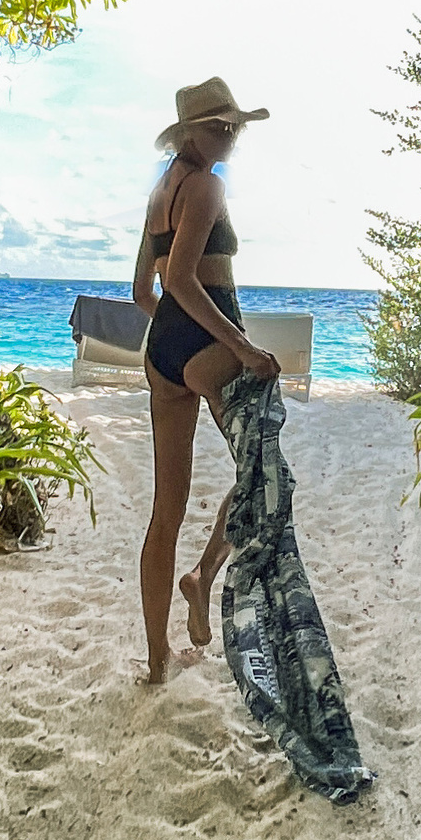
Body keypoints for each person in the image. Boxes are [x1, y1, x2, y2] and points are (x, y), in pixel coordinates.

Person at [133, 75, 281, 685]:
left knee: (165, 508)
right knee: (260, 473)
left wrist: (173, 336)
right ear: (188, 132)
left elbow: (146, 292)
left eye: (233, 127)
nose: (228, 137)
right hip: (208, 346)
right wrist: (240, 347)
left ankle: (157, 661)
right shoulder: (207, 188)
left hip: (163, 352)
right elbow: (187, 281)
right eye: (217, 127)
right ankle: (202, 576)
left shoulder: (159, 193)